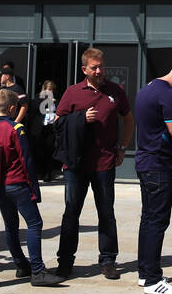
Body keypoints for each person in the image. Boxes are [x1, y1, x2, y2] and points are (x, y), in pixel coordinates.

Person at [54, 47, 133, 280]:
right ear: (84, 69)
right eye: (94, 68)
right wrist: (80, 118)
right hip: (76, 165)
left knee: (106, 213)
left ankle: (108, 260)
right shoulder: (72, 92)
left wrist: (123, 147)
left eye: (102, 67)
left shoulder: (116, 91)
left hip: (105, 162)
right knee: (71, 213)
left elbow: (128, 120)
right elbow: (58, 122)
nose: (99, 71)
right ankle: (65, 261)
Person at [0, 88, 61, 287]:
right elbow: (26, 159)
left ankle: (21, 263)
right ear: (11, 108)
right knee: (35, 224)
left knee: (11, 226)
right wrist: (34, 188)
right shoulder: (17, 129)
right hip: (17, 183)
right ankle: (37, 269)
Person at [133, 64, 172, 294]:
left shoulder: (147, 88)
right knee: (158, 221)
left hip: (144, 161)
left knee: (148, 219)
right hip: (159, 164)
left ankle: (144, 272)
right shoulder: (168, 93)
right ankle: (152, 279)